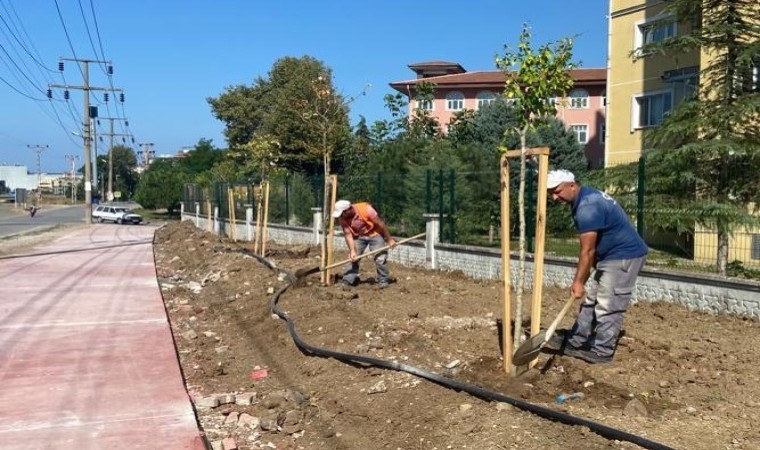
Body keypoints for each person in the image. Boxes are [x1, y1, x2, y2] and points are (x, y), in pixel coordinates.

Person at [543, 169, 648, 364]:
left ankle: (603, 351)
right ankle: (576, 340)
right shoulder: (585, 197)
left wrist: (578, 282)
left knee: (609, 303)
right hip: (609, 256)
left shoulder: (588, 206)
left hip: (623, 256)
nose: (554, 197)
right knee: (592, 300)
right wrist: (584, 277)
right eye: (550, 193)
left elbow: (587, 250)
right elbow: (592, 250)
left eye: (557, 191)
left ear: (571, 185)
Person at [333, 200, 396, 289]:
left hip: (375, 233)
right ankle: (347, 280)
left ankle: (383, 280)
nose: (341, 217)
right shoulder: (342, 217)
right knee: (353, 258)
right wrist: (352, 251)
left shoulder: (366, 209)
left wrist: (389, 239)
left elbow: (381, 224)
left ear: (348, 210)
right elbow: (348, 234)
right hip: (359, 236)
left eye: (342, 214)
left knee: (380, 258)